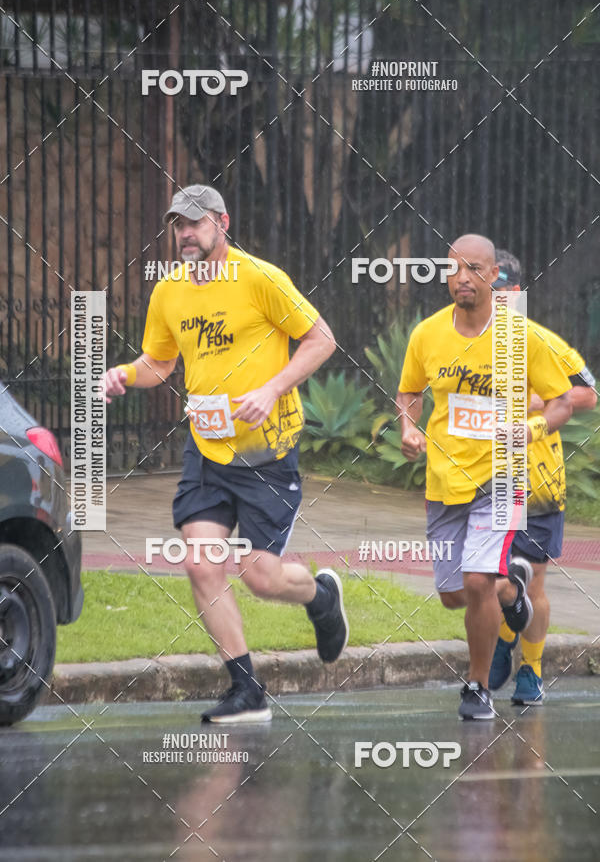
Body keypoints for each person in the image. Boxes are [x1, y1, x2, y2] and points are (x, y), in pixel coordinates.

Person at [103, 184, 349, 723]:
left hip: (266, 453)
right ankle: (245, 689)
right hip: (208, 450)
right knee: (201, 562)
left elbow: (321, 339)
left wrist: (272, 388)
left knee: (260, 577)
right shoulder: (169, 291)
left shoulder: (260, 279)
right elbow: (159, 364)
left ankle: (321, 597)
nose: (185, 234)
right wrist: (122, 375)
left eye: (195, 223)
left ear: (222, 222)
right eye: (178, 225)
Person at [396, 234, 573, 720]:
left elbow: (563, 401)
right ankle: (513, 595)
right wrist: (409, 429)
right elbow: (409, 391)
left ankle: (477, 687)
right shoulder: (427, 335)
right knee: (455, 594)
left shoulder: (522, 338)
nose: (461, 279)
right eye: (453, 270)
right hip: (444, 481)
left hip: (503, 478)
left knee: (477, 581)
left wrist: (530, 429)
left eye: (473, 269)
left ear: (494, 276)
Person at [489, 249, 597, 704]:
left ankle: (530, 670)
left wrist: (539, 401)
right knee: (486, 578)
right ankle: (503, 636)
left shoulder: (541, 342)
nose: (496, 301)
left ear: (516, 293)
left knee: (533, 580)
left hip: (536, 480)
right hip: (482, 479)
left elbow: (588, 394)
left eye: (502, 292)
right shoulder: (457, 341)